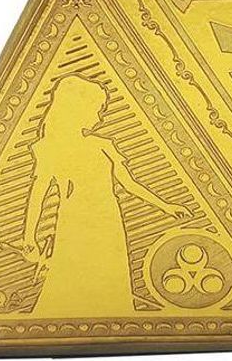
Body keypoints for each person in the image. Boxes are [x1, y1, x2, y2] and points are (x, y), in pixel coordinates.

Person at [19, 75, 186, 316]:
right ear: (76, 110)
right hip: (74, 222)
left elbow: (129, 184)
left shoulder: (103, 144)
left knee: (111, 278)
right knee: (71, 278)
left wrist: (165, 206)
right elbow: (38, 195)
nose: (99, 117)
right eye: (96, 109)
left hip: (109, 219)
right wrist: (29, 238)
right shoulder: (50, 147)